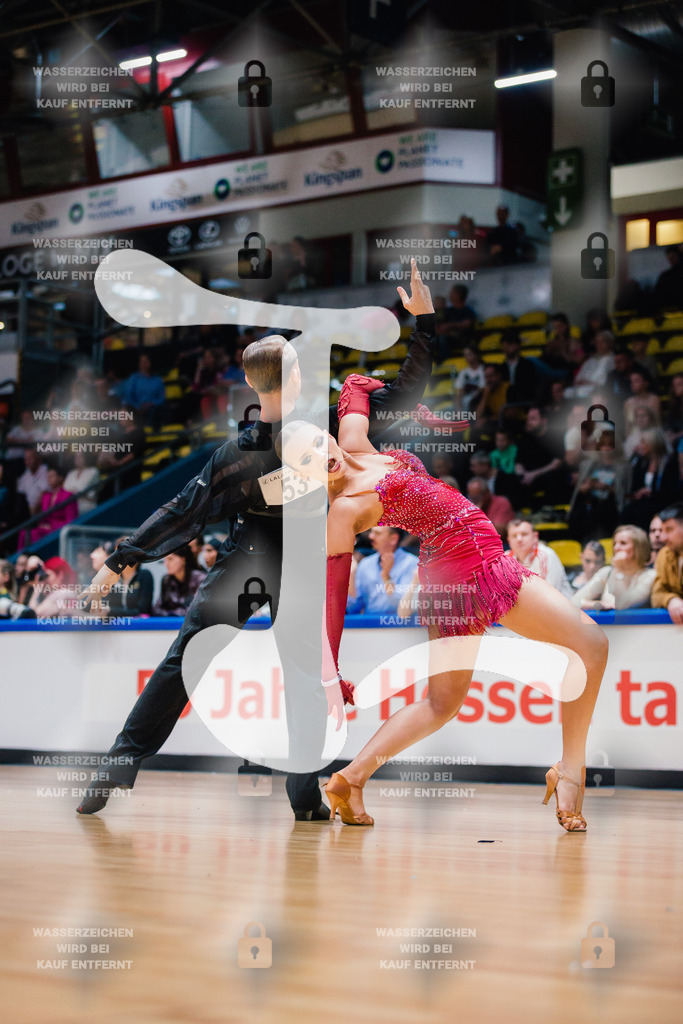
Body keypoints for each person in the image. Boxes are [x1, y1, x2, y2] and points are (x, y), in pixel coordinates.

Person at [75, 258, 442, 822]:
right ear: (298, 378)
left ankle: (116, 767)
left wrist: (122, 559)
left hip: (247, 562)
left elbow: (184, 512)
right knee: (303, 682)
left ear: (250, 383)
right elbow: (403, 391)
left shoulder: (237, 454)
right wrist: (424, 325)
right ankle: (304, 800)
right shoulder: (330, 426)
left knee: (183, 664)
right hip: (299, 565)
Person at [280, 384, 608, 833]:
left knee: (441, 703)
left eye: (320, 443)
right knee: (590, 644)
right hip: (472, 564)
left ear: (330, 435)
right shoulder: (342, 509)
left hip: (455, 566)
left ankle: (349, 779)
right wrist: (329, 669)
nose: (322, 457)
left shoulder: (355, 441)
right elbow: (334, 593)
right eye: (306, 461)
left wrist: (408, 390)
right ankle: (572, 772)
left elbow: (355, 387)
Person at [573, 526, 654, 611]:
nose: (616, 548)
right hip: (605, 624)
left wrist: (619, 569)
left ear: (639, 548)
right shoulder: (607, 572)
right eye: (615, 543)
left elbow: (622, 605)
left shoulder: (650, 576)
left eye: (623, 543)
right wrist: (599, 605)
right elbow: (574, 602)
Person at [346, 526, 418, 615]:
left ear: (393, 539)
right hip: (367, 626)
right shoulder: (365, 564)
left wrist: (386, 576)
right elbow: (353, 609)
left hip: (398, 626)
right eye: (371, 532)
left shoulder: (412, 564)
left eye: (377, 533)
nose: (371, 536)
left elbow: (403, 607)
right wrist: (351, 576)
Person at [623, 429, 680, 529]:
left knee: (641, 512)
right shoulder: (642, 462)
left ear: (654, 444)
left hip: (662, 501)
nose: (640, 445)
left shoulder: (669, 463)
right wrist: (638, 493)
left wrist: (650, 492)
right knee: (627, 511)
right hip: (645, 500)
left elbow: (671, 491)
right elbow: (635, 485)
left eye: (643, 442)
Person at [504, 518, 573, 598]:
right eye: (514, 536)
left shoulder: (547, 555)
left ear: (535, 536)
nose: (519, 539)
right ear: (508, 540)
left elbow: (550, 595)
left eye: (524, 534)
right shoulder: (505, 559)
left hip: (558, 607)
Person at [650, 503, 683, 623]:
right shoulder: (664, 554)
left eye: (669, 530)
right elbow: (656, 594)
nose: (663, 538)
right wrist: (671, 600)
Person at [153, 546, 205, 616]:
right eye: (165, 560)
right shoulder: (166, 580)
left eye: (170, 559)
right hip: (171, 624)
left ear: (183, 560)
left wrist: (172, 613)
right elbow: (156, 609)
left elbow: (198, 610)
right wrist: (173, 614)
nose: (166, 564)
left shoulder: (200, 579)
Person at [122, 354, 165, 429]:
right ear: (139, 364)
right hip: (137, 410)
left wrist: (152, 403)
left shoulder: (158, 380)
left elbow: (161, 398)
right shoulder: (134, 379)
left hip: (153, 409)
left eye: (146, 361)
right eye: (142, 361)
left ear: (150, 363)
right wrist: (138, 407)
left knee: (158, 410)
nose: (144, 363)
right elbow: (129, 397)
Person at [64, 451, 100, 516]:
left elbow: (81, 490)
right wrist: (73, 491)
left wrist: (71, 492)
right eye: (75, 457)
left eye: (80, 457)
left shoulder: (93, 471)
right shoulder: (71, 472)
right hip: (70, 503)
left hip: (86, 504)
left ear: (86, 457)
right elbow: (64, 489)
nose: (77, 459)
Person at [453, 344, 485, 410]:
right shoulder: (463, 372)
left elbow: (482, 389)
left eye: (469, 354)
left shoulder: (484, 370)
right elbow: (459, 390)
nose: (466, 357)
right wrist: (458, 406)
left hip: (477, 401)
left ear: (476, 355)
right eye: (465, 355)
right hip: (465, 401)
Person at [653, 245, 683, 311]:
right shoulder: (665, 275)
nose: (671, 260)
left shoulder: (666, 276)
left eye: (673, 257)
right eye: (669, 258)